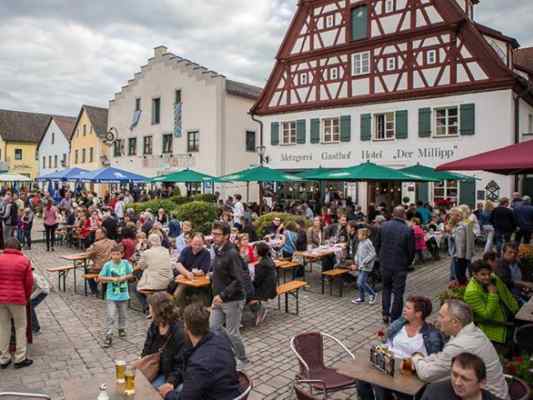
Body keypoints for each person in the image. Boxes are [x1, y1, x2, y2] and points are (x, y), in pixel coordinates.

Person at [411, 300, 509, 400]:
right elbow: (442, 357)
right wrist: (424, 359)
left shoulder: (460, 345)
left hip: (485, 396)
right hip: (491, 390)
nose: (437, 320)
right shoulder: (470, 330)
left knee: (431, 390)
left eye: (441, 316)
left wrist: (416, 358)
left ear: (455, 322)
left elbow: (427, 374)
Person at [357, 296, 444, 400]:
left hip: (409, 371)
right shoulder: (400, 323)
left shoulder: (432, 335)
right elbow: (388, 341)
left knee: (380, 385)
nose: (404, 310)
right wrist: (382, 341)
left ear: (418, 313)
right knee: (360, 379)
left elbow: (434, 360)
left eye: (408, 308)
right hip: (388, 364)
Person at [162, 303, 242, 400]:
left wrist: (167, 394)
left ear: (186, 327)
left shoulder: (198, 364)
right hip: (231, 390)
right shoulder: (221, 337)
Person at [209, 221, 249, 369]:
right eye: (213, 233)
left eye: (217, 234)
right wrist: (212, 275)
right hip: (218, 297)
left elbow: (239, 280)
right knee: (213, 328)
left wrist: (223, 295)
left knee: (233, 332)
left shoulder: (232, 253)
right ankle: (230, 351)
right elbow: (223, 270)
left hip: (233, 299)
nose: (214, 237)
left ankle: (243, 359)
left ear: (226, 236)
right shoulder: (217, 249)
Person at [376, 206, 415, 323]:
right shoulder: (407, 229)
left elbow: (377, 244)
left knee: (386, 288)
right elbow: (411, 251)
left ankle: (385, 314)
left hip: (385, 264)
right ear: (404, 215)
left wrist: (381, 257)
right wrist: (407, 263)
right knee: (398, 292)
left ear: (393, 214)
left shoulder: (383, 226)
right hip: (400, 265)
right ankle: (395, 317)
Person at [464, 260, 518, 345]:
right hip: (499, 326)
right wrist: (492, 294)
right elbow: (486, 315)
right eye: (483, 274)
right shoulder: (471, 292)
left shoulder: (494, 278)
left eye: (488, 273)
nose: (487, 277)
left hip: (512, 315)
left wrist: (516, 309)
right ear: (474, 274)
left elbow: (507, 294)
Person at [140, 292, 186, 394]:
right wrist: (142, 363)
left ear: (158, 310)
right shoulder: (155, 325)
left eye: (151, 308)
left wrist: (171, 382)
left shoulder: (179, 332)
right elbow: (147, 347)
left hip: (170, 374)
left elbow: (181, 364)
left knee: (150, 392)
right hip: (155, 368)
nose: (149, 310)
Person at [0, 238, 33, 369]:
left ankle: (4, 358)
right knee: (20, 327)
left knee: (3, 327)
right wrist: (26, 297)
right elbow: (29, 282)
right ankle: (20, 358)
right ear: (19, 247)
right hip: (17, 298)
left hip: (1, 299)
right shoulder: (24, 260)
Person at [421, 353, 503, 400]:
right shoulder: (434, 393)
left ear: (482, 383)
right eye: (454, 375)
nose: (457, 383)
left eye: (465, 379)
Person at [97, 244, 134, 348]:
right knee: (111, 315)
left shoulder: (126, 263)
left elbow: (131, 274)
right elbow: (100, 277)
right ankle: (109, 334)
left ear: (122, 255)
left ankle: (121, 328)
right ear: (111, 255)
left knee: (123, 314)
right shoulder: (108, 265)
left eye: (118, 254)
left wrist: (124, 277)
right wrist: (111, 279)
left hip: (123, 294)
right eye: (113, 254)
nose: (116, 256)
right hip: (111, 295)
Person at [137, 234, 174, 315]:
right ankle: (154, 308)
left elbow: (141, 266)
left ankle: (149, 308)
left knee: (137, 288)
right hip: (167, 281)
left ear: (149, 242)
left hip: (154, 284)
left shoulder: (147, 252)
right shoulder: (166, 250)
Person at [173, 234, 211, 311]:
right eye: (195, 244)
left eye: (199, 244)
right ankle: (182, 312)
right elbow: (178, 264)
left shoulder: (206, 253)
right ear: (191, 242)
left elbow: (203, 272)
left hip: (199, 283)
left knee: (201, 297)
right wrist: (186, 273)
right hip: (186, 281)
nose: (197, 246)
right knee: (178, 294)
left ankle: (192, 313)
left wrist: (187, 273)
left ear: (203, 243)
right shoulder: (186, 250)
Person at [249, 241, 277, 326]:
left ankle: (259, 310)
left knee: (246, 295)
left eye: (254, 250)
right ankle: (259, 309)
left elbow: (257, 282)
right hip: (271, 288)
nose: (253, 252)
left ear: (259, 252)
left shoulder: (261, 265)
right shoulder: (268, 260)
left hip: (265, 291)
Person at [86, 228, 117, 296]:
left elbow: (88, 254)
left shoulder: (96, 244)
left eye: (97, 233)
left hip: (100, 268)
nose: (95, 235)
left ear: (103, 234)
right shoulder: (113, 242)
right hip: (111, 266)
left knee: (87, 270)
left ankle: (94, 290)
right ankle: (105, 288)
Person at [350, 228, 377, 305]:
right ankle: (361, 298)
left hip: (366, 266)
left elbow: (373, 253)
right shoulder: (360, 242)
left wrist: (365, 261)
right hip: (360, 266)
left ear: (364, 236)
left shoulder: (368, 242)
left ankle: (373, 294)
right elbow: (358, 252)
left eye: (359, 234)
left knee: (361, 282)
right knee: (359, 283)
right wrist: (356, 261)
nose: (358, 236)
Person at [30, 268, 50, 334]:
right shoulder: (28, 275)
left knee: (30, 307)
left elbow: (40, 288)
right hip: (36, 290)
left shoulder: (33, 276)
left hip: (43, 291)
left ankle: (36, 328)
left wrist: (30, 297)